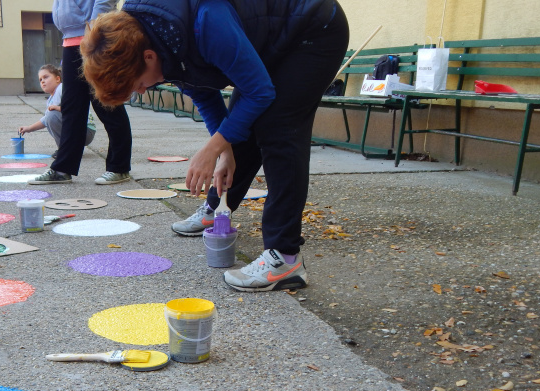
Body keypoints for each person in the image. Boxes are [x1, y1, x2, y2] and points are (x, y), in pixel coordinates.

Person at [81, 0, 349, 292]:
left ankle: (285, 259)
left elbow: (259, 92)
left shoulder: (205, 23)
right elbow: (204, 95)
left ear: (148, 57)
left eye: (139, 84)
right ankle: (219, 209)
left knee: (278, 128)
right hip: (276, 38)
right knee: (239, 126)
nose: (143, 90)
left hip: (314, 28)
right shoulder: (159, 38)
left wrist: (211, 149)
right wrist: (223, 151)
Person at [29, 0, 132, 186]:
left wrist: (93, 29)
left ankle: (119, 167)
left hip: (93, 39)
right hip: (70, 41)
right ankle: (62, 169)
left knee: (107, 104)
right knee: (72, 108)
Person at [18, 64, 95, 159]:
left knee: (52, 116)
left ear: (57, 79)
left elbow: (75, 107)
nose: (42, 81)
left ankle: (66, 150)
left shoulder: (62, 89)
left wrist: (59, 108)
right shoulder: (51, 99)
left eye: (46, 77)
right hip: (81, 131)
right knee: (50, 118)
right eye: (40, 80)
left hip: (86, 130)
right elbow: (45, 120)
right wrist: (29, 128)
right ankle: (68, 148)